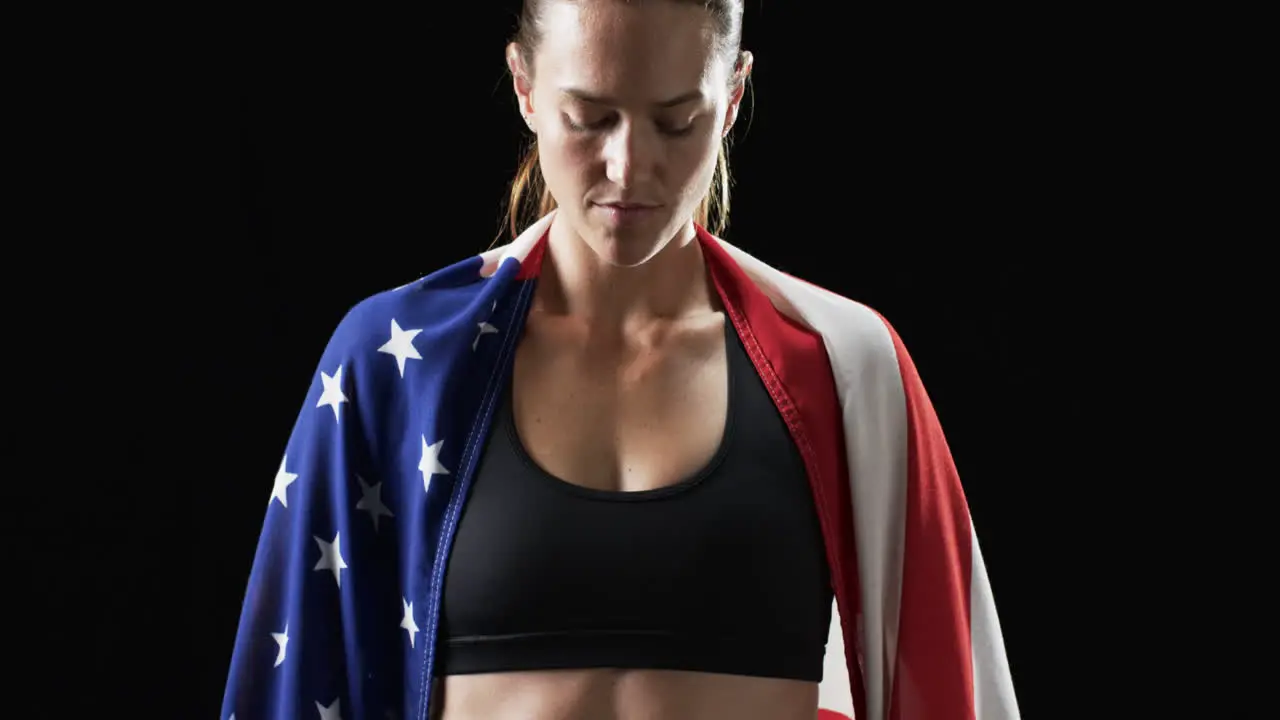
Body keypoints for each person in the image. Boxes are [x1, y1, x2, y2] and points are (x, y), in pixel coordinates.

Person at [219, 1, 1021, 718]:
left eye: (677, 121)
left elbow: (947, 686)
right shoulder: (395, 365)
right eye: (589, 117)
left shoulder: (848, 370)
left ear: (735, 93)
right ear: (525, 87)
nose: (630, 167)